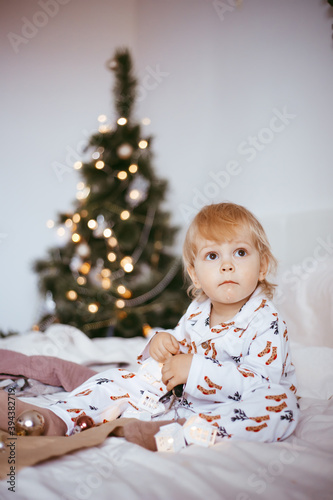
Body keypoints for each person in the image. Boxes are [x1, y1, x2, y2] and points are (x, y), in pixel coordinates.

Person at [13, 202, 300, 442]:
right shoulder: (199, 309)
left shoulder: (266, 321)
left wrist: (196, 369)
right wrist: (161, 344)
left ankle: (174, 436)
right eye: (212, 256)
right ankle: (60, 416)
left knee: (280, 408)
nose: (227, 265)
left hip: (232, 407)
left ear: (262, 266)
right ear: (196, 274)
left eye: (240, 252)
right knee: (120, 376)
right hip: (187, 400)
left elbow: (261, 384)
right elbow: (179, 341)